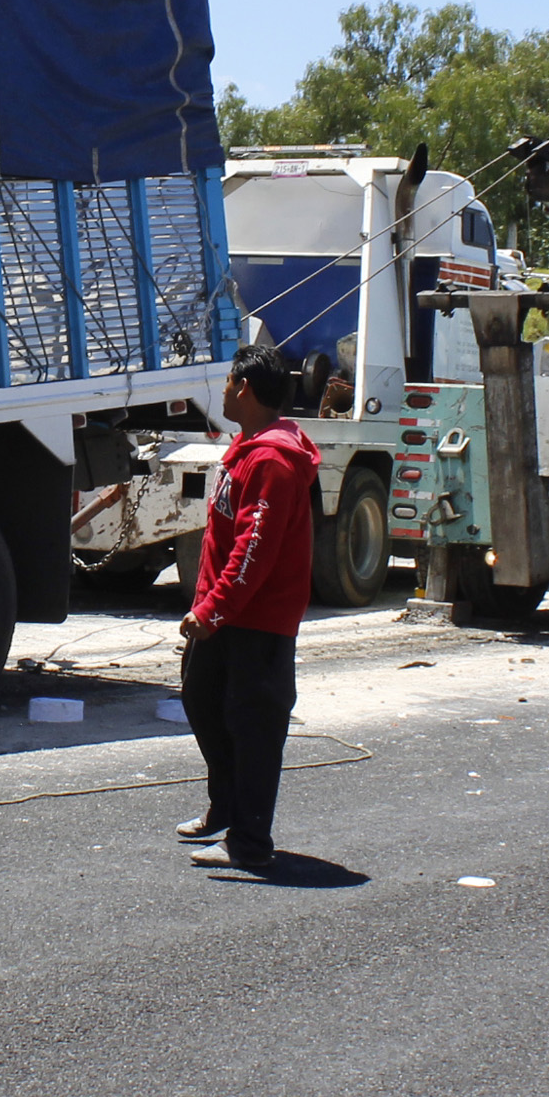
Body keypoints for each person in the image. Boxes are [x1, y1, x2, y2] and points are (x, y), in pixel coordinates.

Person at [175, 342, 322, 872]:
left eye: (231, 382)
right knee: (202, 702)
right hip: (223, 616)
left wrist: (212, 609)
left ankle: (250, 841)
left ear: (246, 389)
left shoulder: (272, 462)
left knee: (252, 726)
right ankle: (225, 807)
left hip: (255, 621)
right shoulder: (247, 447)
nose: (224, 390)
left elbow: (252, 550)